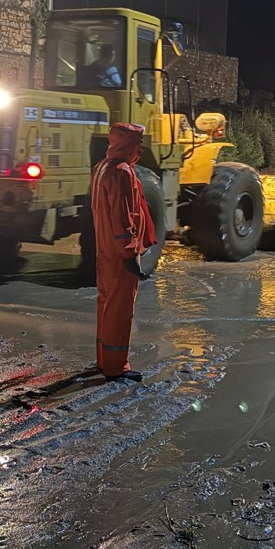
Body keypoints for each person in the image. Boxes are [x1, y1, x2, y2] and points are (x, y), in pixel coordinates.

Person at [90, 123, 156, 383]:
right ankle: (117, 367)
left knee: (105, 304)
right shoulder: (122, 172)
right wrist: (130, 254)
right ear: (128, 144)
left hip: (104, 250)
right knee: (120, 310)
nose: (140, 148)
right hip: (120, 253)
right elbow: (122, 217)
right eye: (137, 143)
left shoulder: (101, 167)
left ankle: (103, 360)